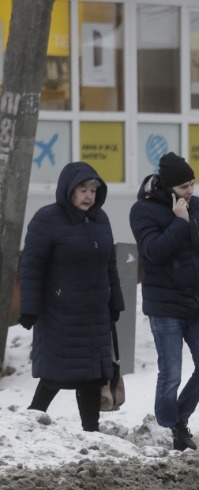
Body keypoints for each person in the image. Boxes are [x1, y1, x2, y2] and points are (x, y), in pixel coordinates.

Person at [130, 152, 199, 451]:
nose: (191, 191)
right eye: (185, 186)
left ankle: (178, 420)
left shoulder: (197, 205)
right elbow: (152, 252)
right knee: (171, 373)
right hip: (165, 306)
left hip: (198, 303)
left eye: (193, 184)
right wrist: (179, 222)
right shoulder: (143, 211)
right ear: (169, 186)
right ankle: (167, 431)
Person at [18, 162, 124, 433]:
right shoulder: (47, 219)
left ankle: (91, 433)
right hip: (60, 312)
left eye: (92, 190)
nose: (89, 196)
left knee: (92, 377)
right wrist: (29, 308)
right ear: (68, 190)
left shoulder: (101, 219)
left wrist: (116, 302)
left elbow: (109, 265)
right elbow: (31, 266)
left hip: (94, 314)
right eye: (83, 190)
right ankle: (26, 427)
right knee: (54, 375)